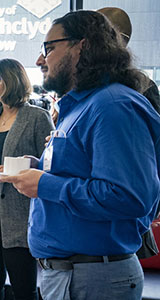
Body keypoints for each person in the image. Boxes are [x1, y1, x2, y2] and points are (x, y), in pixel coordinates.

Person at [1, 10, 160, 300]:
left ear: (82, 46)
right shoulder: (83, 106)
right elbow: (86, 172)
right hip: (73, 276)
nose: (40, 60)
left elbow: (129, 197)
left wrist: (45, 185)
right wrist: (41, 171)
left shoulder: (112, 106)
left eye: (48, 48)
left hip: (93, 279)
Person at [0, 59, 54, 300]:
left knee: (24, 290)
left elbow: (49, 164)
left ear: (14, 79)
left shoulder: (37, 117)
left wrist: (19, 168)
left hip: (19, 217)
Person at [98, 6, 160, 259]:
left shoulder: (141, 87)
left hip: (126, 197)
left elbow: (155, 148)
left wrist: (152, 202)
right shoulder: (85, 87)